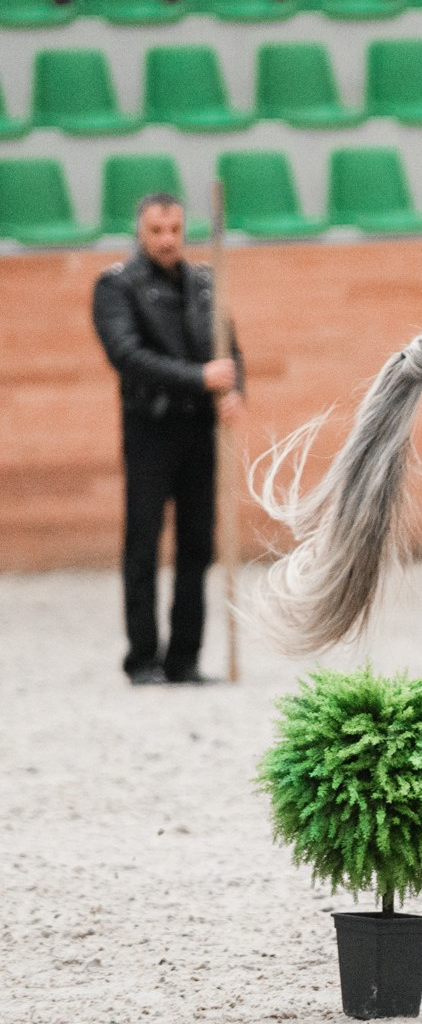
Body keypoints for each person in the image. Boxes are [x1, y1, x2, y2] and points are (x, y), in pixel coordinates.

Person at [91, 194, 244, 684]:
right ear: (141, 231)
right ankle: (141, 659)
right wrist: (200, 377)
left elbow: (230, 351)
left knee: (198, 543)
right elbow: (127, 355)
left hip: (201, 430)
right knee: (143, 541)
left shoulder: (204, 282)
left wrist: (235, 390)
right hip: (150, 429)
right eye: (157, 230)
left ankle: (184, 659)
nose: (167, 240)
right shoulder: (117, 286)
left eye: (175, 229)